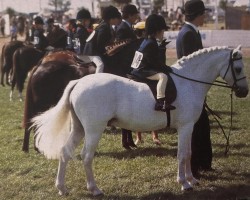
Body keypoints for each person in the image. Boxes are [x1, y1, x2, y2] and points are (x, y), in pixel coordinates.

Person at [176, 0, 212, 177]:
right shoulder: (188, 34)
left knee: (203, 126)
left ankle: (203, 163)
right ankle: (196, 166)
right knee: (197, 128)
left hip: (193, 87)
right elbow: (194, 65)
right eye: (203, 13)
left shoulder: (191, 32)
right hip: (190, 88)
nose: (205, 16)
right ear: (198, 14)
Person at [131, 14, 175, 111]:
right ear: (157, 30)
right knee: (163, 77)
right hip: (142, 71)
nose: (164, 32)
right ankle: (160, 102)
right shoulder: (151, 43)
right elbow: (155, 63)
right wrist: (166, 67)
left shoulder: (147, 40)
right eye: (163, 30)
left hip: (139, 68)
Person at [83, 5, 122, 73]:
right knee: (100, 64)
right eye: (117, 18)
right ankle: (97, 80)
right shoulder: (104, 27)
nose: (118, 21)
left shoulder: (104, 24)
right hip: (91, 52)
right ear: (111, 18)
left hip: (94, 51)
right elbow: (100, 44)